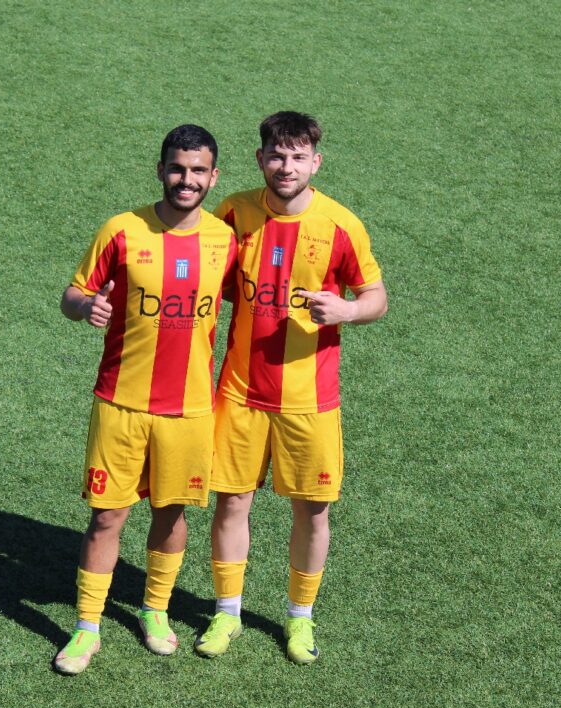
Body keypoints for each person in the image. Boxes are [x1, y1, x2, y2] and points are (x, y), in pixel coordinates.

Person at [195, 111, 388, 665]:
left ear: (315, 163)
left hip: (310, 400)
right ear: (260, 159)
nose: (287, 166)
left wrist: (347, 310)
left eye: (298, 157)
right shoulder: (234, 212)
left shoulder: (342, 225)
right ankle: (227, 613)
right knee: (232, 502)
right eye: (277, 156)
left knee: (313, 511)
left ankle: (300, 617)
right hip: (240, 393)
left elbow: (376, 297)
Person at [53, 124, 237, 675]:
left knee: (171, 512)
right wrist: (85, 308)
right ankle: (87, 627)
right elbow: (72, 294)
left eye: (198, 171)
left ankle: (155, 610)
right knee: (107, 516)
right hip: (121, 402)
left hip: (190, 409)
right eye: (177, 168)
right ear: (160, 169)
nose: (186, 179)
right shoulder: (122, 229)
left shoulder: (226, 240)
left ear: (214, 177)